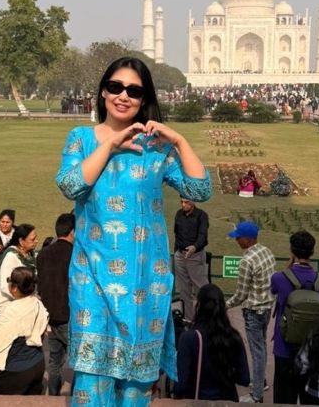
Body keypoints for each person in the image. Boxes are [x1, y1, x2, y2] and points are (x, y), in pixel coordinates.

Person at [55, 56, 211, 406]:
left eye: (134, 91)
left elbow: (200, 190)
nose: (123, 96)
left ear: (144, 99)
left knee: (136, 385)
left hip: (143, 281)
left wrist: (179, 141)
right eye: (116, 87)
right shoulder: (82, 138)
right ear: (103, 92)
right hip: (92, 277)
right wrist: (110, 146)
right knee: (92, 379)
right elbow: (70, 184)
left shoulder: (154, 148)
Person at [271, 230, 319, 404]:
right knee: (309, 399)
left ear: (292, 250)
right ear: (312, 252)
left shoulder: (279, 278)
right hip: (312, 347)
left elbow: (274, 291)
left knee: (283, 398)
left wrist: (288, 266)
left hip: (284, 345)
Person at [0, 267, 49, 395]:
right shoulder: (38, 303)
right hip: (37, 364)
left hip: (16, 371)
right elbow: (43, 331)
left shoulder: (9, 312)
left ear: (14, 288)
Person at [226, 221, 276, 404]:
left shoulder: (247, 260)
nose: (236, 241)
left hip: (254, 311)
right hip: (267, 307)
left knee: (257, 352)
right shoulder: (267, 251)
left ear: (248, 239)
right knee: (261, 347)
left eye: (238, 238)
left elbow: (240, 295)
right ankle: (260, 381)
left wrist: (225, 305)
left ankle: (257, 395)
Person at [174, 284, 249, 401]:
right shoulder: (233, 337)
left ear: (198, 306)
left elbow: (180, 386)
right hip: (228, 400)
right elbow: (244, 379)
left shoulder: (188, 338)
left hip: (198, 400)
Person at [36, 213, 75, 396]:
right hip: (69, 316)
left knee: (54, 359)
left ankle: (53, 394)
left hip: (49, 315)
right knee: (79, 359)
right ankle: (76, 395)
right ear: (72, 232)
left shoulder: (43, 254)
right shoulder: (75, 254)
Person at [173, 197, 210, 322]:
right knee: (184, 290)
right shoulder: (178, 214)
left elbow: (203, 236)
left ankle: (206, 319)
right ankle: (188, 319)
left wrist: (194, 247)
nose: (183, 205)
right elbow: (176, 233)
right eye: (181, 202)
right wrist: (176, 251)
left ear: (193, 202)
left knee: (201, 288)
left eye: (186, 202)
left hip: (195, 256)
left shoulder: (201, 216)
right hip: (180, 255)